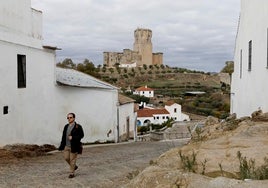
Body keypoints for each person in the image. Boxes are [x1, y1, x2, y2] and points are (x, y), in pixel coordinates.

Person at [58, 113, 84, 178]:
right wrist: (62, 145)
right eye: (68, 118)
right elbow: (63, 136)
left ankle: (72, 173)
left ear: (74, 118)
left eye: (70, 117)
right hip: (66, 146)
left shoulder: (78, 126)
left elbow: (81, 135)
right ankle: (74, 166)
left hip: (74, 146)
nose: (69, 119)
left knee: (72, 159)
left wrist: (73, 137)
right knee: (66, 158)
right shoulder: (66, 126)